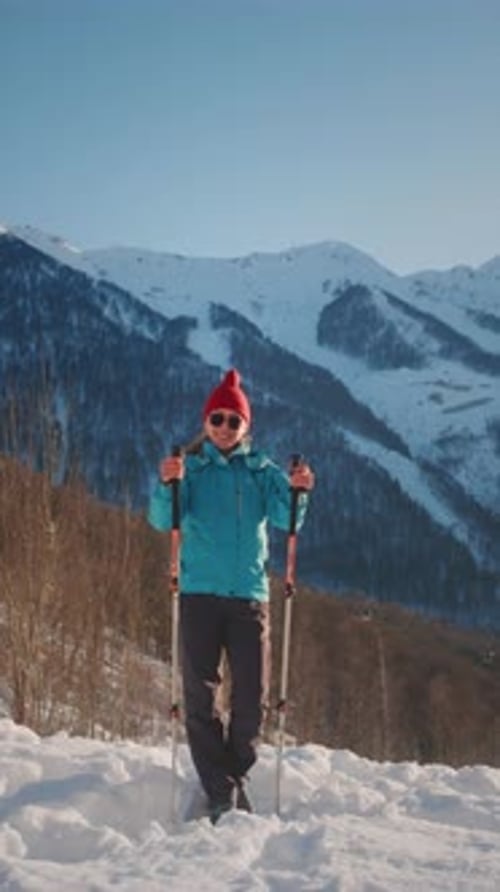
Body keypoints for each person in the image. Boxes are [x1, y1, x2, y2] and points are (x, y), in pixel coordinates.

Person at [148, 368, 314, 824]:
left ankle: (231, 777)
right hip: (198, 595)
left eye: (233, 421)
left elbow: (289, 519)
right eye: (217, 418)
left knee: (252, 701)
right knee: (199, 699)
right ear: (205, 422)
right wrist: (166, 486)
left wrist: (300, 491)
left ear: (247, 427)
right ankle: (222, 793)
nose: (224, 427)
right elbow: (165, 521)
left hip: (248, 598)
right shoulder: (190, 470)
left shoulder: (263, 472)